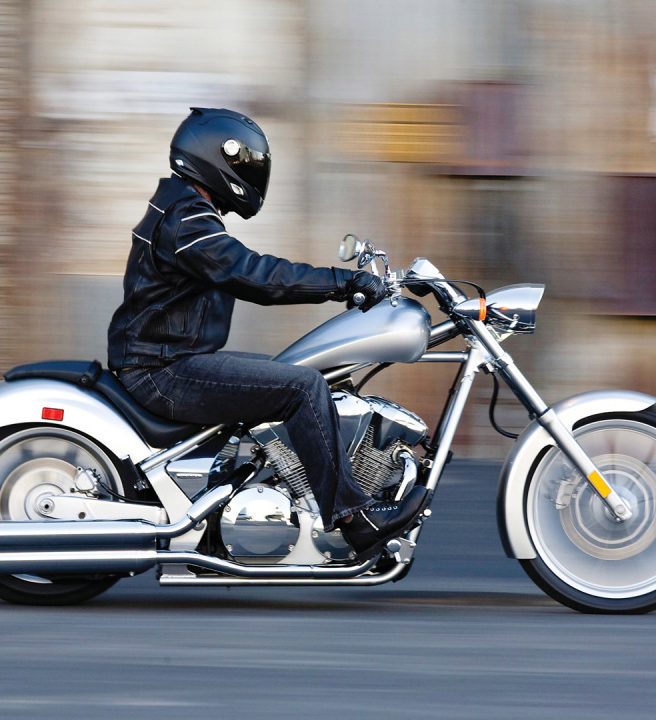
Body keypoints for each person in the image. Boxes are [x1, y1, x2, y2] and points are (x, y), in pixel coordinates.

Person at [108, 107, 428, 556]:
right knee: (302, 386)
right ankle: (354, 519)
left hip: (169, 361)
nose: (250, 175)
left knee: (299, 376)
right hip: (164, 371)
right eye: (245, 165)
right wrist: (344, 283)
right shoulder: (187, 220)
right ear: (216, 158)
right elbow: (253, 274)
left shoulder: (182, 207)